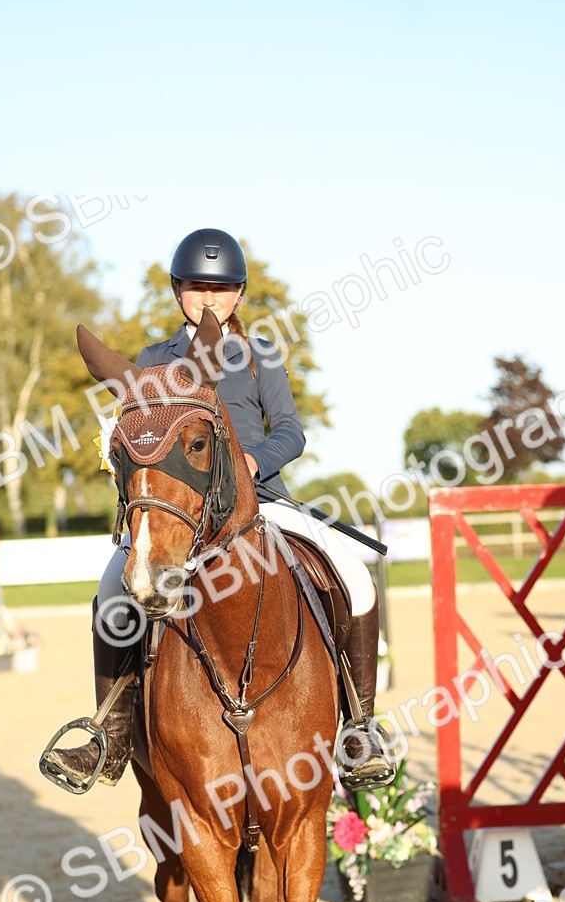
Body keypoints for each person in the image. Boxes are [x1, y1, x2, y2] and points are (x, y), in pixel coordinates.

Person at [44, 228, 396, 792]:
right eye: (194, 287)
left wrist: (253, 462)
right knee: (113, 592)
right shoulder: (154, 359)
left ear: (239, 294)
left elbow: (290, 432)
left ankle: (358, 728)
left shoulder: (259, 356)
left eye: (220, 288)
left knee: (355, 580)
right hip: (180, 517)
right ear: (177, 291)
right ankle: (106, 736)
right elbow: (141, 431)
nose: (207, 299)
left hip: (260, 505)